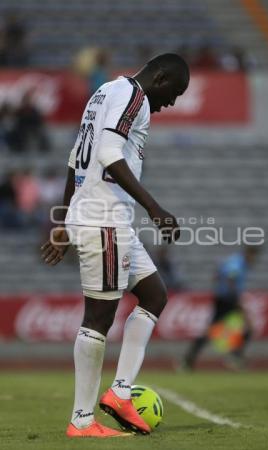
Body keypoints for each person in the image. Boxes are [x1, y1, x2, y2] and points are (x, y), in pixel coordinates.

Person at [41, 53, 189, 438]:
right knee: (99, 318)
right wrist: (154, 208)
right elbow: (107, 155)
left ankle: (120, 392)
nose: (170, 102)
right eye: (173, 92)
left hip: (104, 216)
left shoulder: (105, 91)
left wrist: (63, 219)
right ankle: (82, 420)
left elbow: (77, 160)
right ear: (160, 77)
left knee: (155, 295)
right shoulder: (134, 96)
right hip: (104, 218)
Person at [182, 245, 260, 370]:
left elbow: (217, 275)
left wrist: (218, 288)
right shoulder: (237, 263)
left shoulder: (232, 260)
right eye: (253, 257)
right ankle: (233, 357)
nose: (253, 260)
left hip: (223, 298)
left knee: (241, 328)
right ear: (250, 254)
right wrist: (236, 299)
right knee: (247, 328)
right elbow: (231, 279)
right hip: (228, 300)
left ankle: (189, 358)